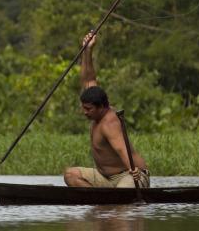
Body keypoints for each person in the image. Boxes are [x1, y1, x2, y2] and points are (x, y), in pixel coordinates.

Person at [63, 31, 150, 188]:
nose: (85, 112)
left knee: (123, 193)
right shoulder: (95, 100)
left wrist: (133, 170)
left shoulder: (109, 121)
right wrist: (87, 51)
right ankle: (100, 203)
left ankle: (110, 202)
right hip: (106, 178)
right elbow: (88, 79)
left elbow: (121, 149)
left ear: (102, 107)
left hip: (130, 175)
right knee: (71, 175)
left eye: (88, 109)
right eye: (84, 108)